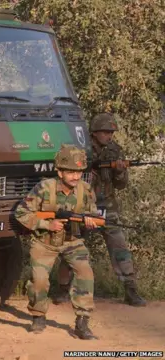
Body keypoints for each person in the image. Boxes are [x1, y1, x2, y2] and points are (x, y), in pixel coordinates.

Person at [53, 113, 146, 307]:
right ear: (94, 132)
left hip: (107, 207)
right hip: (84, 206)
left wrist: (120, 170)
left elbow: (121, 185)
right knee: (72, 246)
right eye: (105, 132)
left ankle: (130, 290)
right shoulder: (81, 150)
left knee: (120, 247)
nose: (109, 136)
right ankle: (62, 289)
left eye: (111, 132)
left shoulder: (115, 151)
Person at [14, 144, 98, 340]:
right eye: (70, 172)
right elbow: (21, 213)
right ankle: (38, 315)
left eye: (79, 172)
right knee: (39, 281)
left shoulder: (85, 190)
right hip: (45, 242)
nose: (76, 176)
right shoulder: (44, 188)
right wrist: (46, 224)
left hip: (72, 241)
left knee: (86, 273)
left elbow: (92, 213)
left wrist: (90, 222)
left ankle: (82, 322)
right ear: (59, 171)